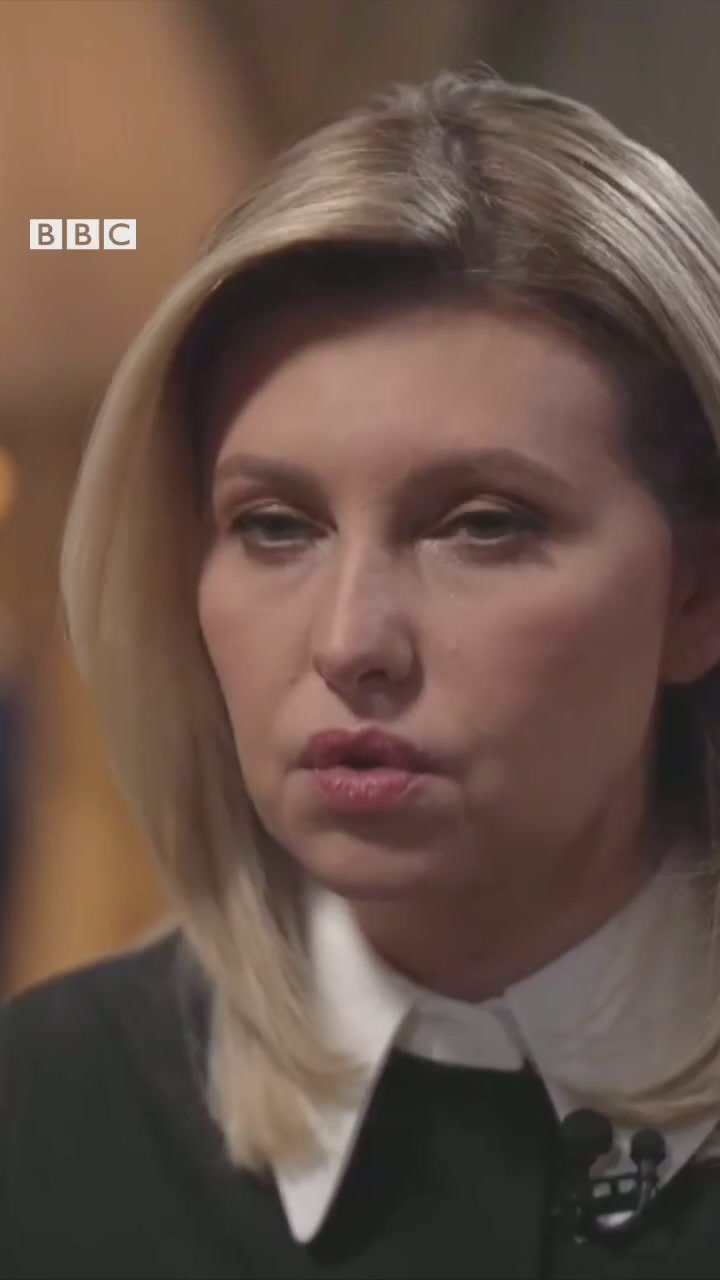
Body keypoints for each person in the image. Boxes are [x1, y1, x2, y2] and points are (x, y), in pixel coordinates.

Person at [4, 63, 720, 1279]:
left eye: (482, 524)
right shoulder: (49, 1113)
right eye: (275, 524)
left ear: (697, 591)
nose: (349, 642)